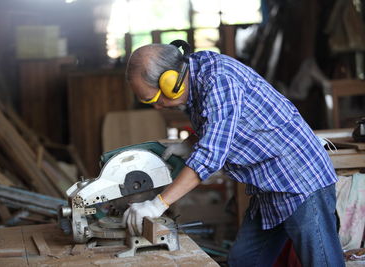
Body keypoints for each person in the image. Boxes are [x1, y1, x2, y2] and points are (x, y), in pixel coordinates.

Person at [122, 40, 345, 266]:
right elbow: (217, 123)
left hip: (298, 179)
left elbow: (210, 156)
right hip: (268, 186)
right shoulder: (195, 75)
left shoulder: (219, 80)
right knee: (244, 261)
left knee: (322, 262)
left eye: (153, 99)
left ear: (171, 82)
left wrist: (158, 204)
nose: (157, 107)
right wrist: (190, 143)